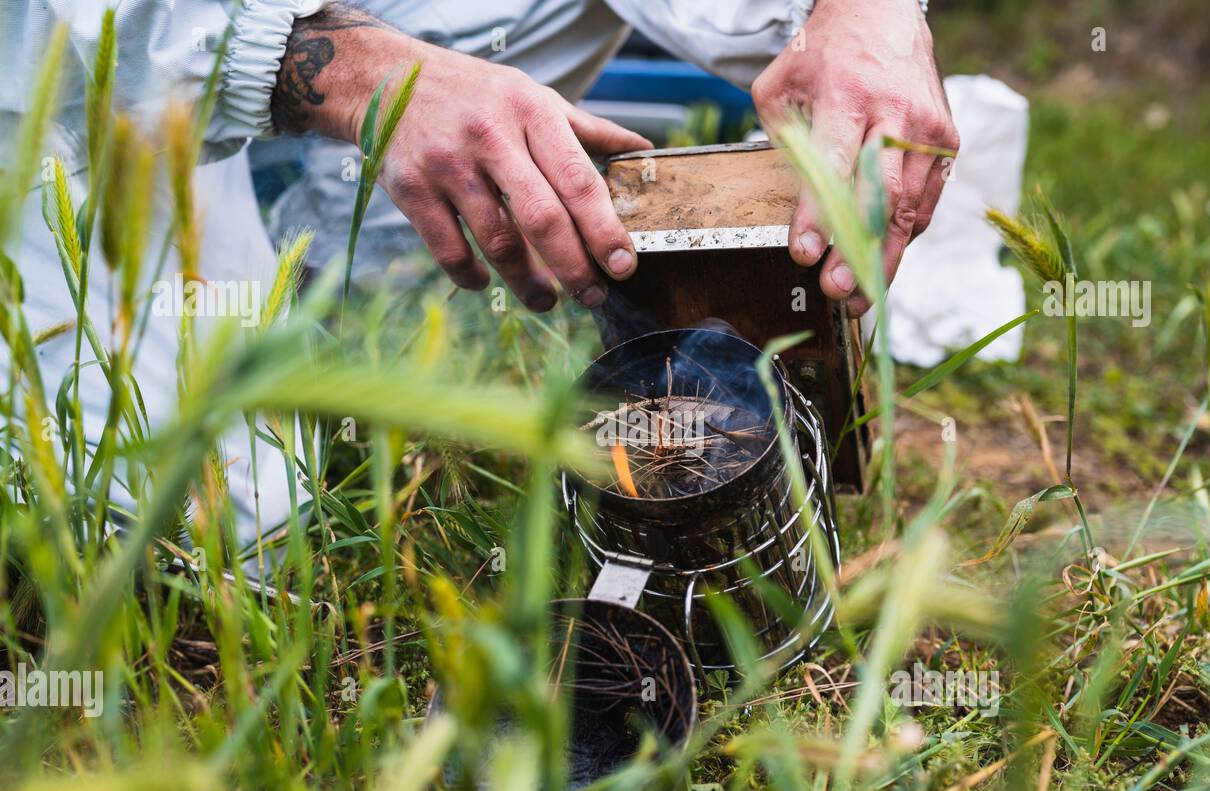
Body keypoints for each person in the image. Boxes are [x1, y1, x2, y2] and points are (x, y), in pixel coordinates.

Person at [0, 0, 957, 545]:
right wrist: (349, 73)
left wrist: (868, 15)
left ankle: (357, 293)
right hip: (71, 93)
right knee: (200, 524)